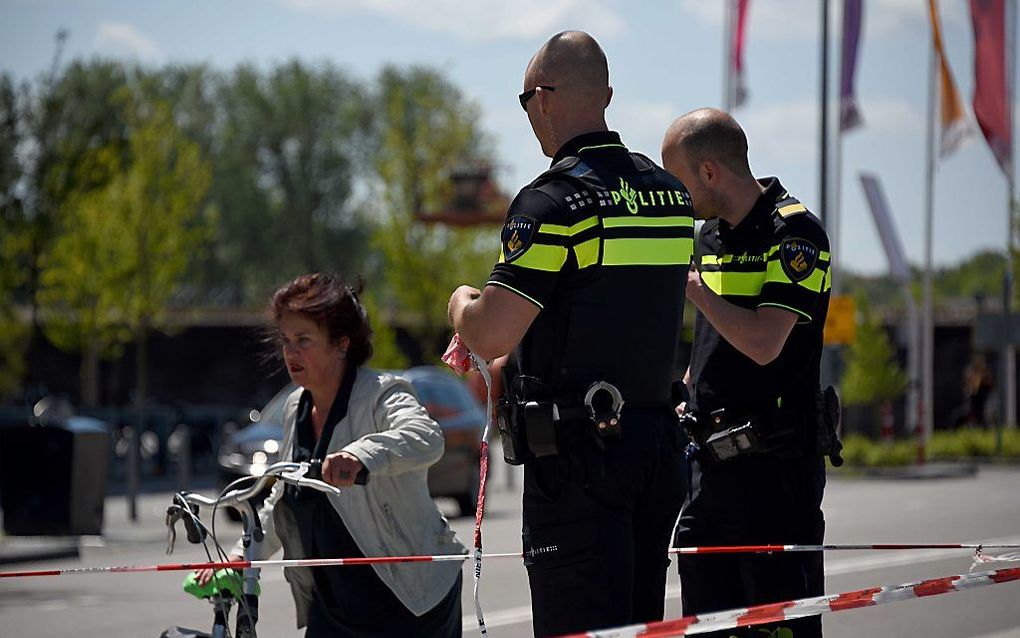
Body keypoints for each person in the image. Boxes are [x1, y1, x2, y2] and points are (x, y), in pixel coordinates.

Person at [447, 31, 693, 637]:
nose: (528, 115)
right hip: (655, 450)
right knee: (639, 626)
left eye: (524, 100)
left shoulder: (554, 201)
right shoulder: (670, 197)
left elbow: (492, 333)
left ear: (545, 99)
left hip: (581, 462)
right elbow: (612, 311)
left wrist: (461, 305)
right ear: (605, 95)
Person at [197, 273, 465, 637]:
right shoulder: (295, 407)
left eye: (303, 340)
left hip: (412, 600)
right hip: (334, 607)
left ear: (342, 343)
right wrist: (241, 557)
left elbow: (426, 437)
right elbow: (283, 500)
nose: (290, 353)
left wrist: (360, 456)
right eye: (286, 340)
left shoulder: (381, 393)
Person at [661, 108, 837, 638]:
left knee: (779, 629)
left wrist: (693, 288)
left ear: (710, 172)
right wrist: (689, 388)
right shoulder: (709, 236)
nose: (676, 198)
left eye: (679, 182)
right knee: (707, 626)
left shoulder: (795, 232)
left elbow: (764, 343)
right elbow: (711, 339)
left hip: (774, 476)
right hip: (707, 475)